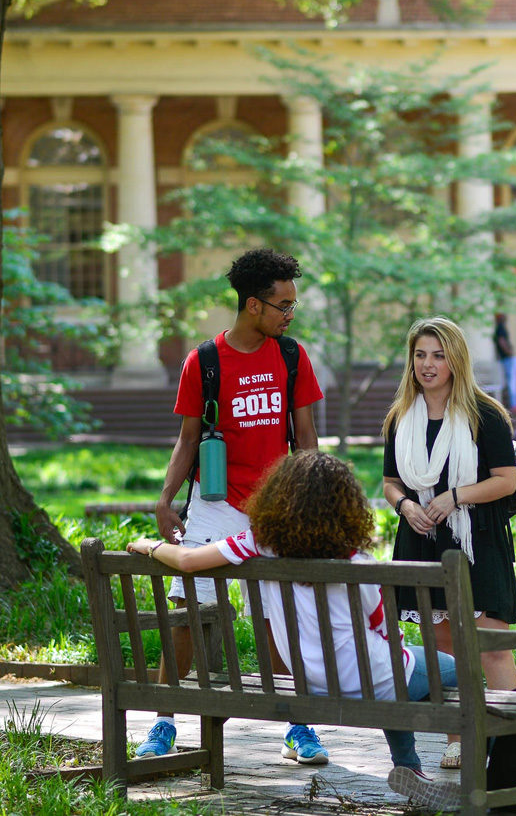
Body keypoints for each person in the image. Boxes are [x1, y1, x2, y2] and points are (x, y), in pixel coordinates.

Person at [127, 453, 463, 812]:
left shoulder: (258, 543)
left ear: (277, 496)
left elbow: (190, 561)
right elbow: (382, 630)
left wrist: (149, 545)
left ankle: (411, 771)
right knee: (457, 671)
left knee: (395, 677)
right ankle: (438, 766)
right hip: (373, 679)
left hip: (307, 683)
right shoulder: (357, 562)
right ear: (345, 506)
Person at [140, 248, 329, 765]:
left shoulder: (292, 356)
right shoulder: (203, 361)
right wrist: (165, 500)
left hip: (277, 509)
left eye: (292, 304)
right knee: (188, 616)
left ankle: (298, 726)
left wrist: (309, 499)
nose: (290, 314)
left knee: (280, 618)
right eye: (283, 305)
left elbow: (306, 434)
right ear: (253, 305)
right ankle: (163, 724)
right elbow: (187, 438)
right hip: (216, 504)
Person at [382, 316, 516, 770]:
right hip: (421, 542)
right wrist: (406, 505)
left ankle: (512, 744)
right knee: (443, 651)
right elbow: (389, 482)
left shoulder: (486, 415)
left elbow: (505, 482)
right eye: (420, 355)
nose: (428, 364)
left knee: (493, 646)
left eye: (439, 355)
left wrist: (454, 497)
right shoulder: (401, 417)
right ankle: (458, 738)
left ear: (456, 359)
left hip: (476, 543)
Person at [492, 311, 516, 412]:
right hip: (507, 359)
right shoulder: (500, 328)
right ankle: (515, 404)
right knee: (513, 381)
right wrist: (509, 352)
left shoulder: (501, 328)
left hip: (511, 358)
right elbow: (501, 341)